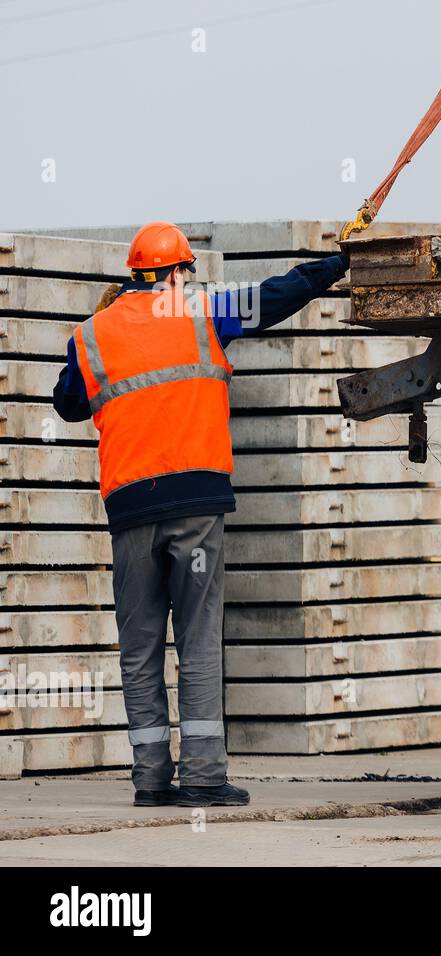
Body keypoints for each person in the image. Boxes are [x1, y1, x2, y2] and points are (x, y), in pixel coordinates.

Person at [52, 221, 348, 807]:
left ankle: (151, 782)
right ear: (178, 272)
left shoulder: (91, 336)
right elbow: (276, 296)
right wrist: (334, 266)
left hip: (131, 508)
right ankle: (206, 779)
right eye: (188, 270)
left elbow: (65, 405)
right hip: (196, 505)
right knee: (198, 639)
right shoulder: (202, 311)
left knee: (139, 648)